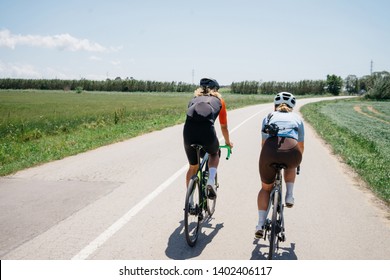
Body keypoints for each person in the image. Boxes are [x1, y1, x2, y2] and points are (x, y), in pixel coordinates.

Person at [255, 92, 305, 238]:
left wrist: (265, 160)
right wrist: (298, 161)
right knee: (291, 164)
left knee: (265, 188)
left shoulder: (269, 116)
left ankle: (260, 224)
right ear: (292, 107)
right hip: (292, 152)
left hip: (270, 151)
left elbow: (263, 143)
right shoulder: (297, 118)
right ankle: (289, 195)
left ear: (275, 106)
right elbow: (301, 146)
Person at [183, 78, 233, 199]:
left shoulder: (193, 100)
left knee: (193, 167)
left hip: (188, 134)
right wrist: (227, 142)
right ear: (216, 89)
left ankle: (189, 200)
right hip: (207, 135)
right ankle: (211, 180)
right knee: (214, 153)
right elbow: (224, 126)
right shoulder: (219, 100)